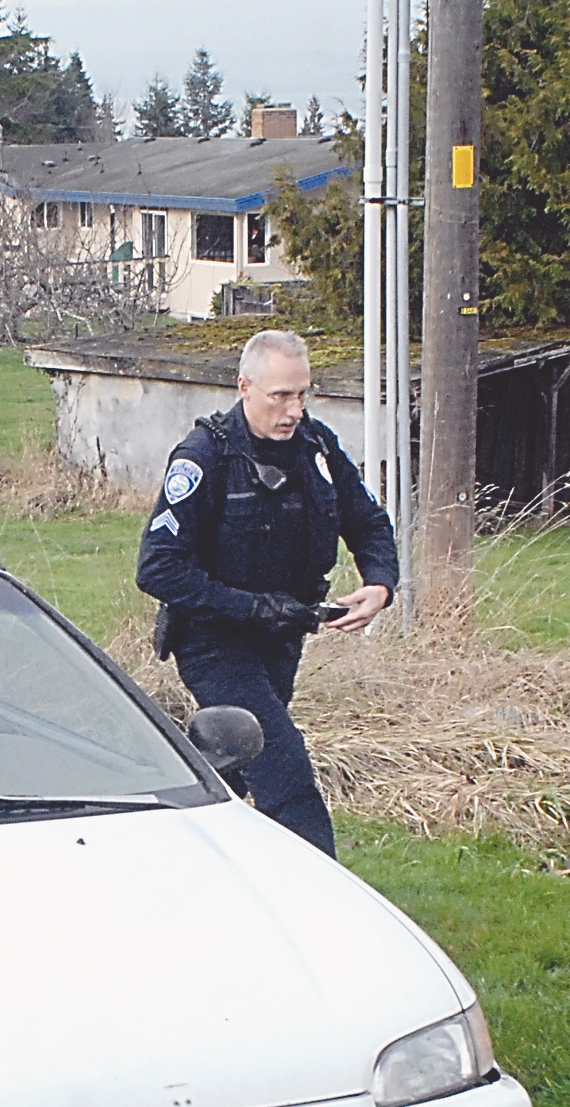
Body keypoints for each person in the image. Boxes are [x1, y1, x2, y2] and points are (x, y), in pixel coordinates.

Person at [135, 329, 399, 857]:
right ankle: (322, 902)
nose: (294, 408)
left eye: (303, 393)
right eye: (281, 395)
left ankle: (175, 855)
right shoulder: (205, 454)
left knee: (230, 771)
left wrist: (379, 584)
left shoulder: (317, 447)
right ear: (244, 387)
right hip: (215, 641)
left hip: (283, 640)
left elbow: (368, 521)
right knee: (284, 771)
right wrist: (252, 608)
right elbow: (157, 568)